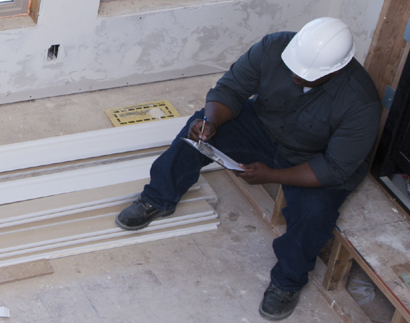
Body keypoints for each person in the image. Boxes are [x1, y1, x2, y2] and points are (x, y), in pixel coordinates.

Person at [114, 17, 382, 321]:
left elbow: (334, 168)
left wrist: (271, 176)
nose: (296, 77)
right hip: (265, 127)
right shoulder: (274, 46)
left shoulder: (361, 102)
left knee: (314, 216)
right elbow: (231, 89)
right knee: (194, 133)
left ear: (334, 71)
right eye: (293, 68)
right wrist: (212, 122)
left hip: (313, 159)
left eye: (306, 76)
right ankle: (157, 198)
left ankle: (287, 282)